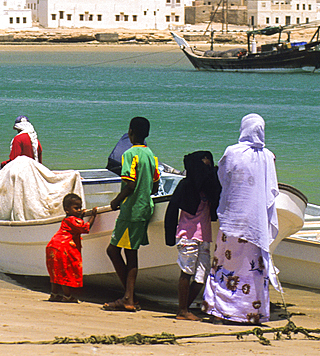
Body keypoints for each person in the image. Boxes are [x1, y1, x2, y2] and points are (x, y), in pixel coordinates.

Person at [202, 113, 279, 325]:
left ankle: (220, 310)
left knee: (225, 263)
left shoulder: (232, 152)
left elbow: (223, 178)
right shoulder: (269, 156)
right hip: (255, 225)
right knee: (251, 268)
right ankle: (249, 313)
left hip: (232, 220)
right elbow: (272, 190)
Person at [103, 116, 159, 312]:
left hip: (131, 209)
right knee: (131, 252)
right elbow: (155, 186)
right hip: (145, 208)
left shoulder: (129, 154)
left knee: (113, 250)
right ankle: (130, 296)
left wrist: (116, 201)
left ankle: (128, 297)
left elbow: (130, 183)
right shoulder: (151, 155)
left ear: (130, 132)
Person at [164, 150, 221, 321]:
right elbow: (172, 209)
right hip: (187, 235)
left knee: (201, 277)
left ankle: (184, 308)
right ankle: (182, 310)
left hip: (204, 237)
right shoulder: (186, 185)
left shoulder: (210, 187)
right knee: (186, 273)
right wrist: (169, 237)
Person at [45, 193, 98, 303]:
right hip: (63, 248)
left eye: (80, 207)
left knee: (56, 272)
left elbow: (77, 226)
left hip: (53, 246)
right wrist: (93, 216)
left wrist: (81, 216)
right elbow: (84, 227)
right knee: (65, 272)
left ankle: (54, 294)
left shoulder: (67, 219)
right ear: (67, 210)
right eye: (76, 208)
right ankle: (67, 296)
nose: (79, 210)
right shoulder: (73, 220)